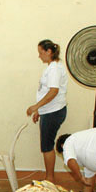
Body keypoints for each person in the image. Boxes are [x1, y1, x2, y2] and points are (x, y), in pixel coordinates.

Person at [26, 39, 68, 184]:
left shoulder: (55, 69)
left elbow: (53, 91)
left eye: (40, 53)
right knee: (46, 145)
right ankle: (48, 177)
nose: (39, 56)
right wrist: (40, 110)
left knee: (47, 145)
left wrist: (36, 107)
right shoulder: (51, 68)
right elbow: (46, 91)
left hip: (54, 111)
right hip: (49, 111)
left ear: (49, 52)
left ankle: (50, 178)